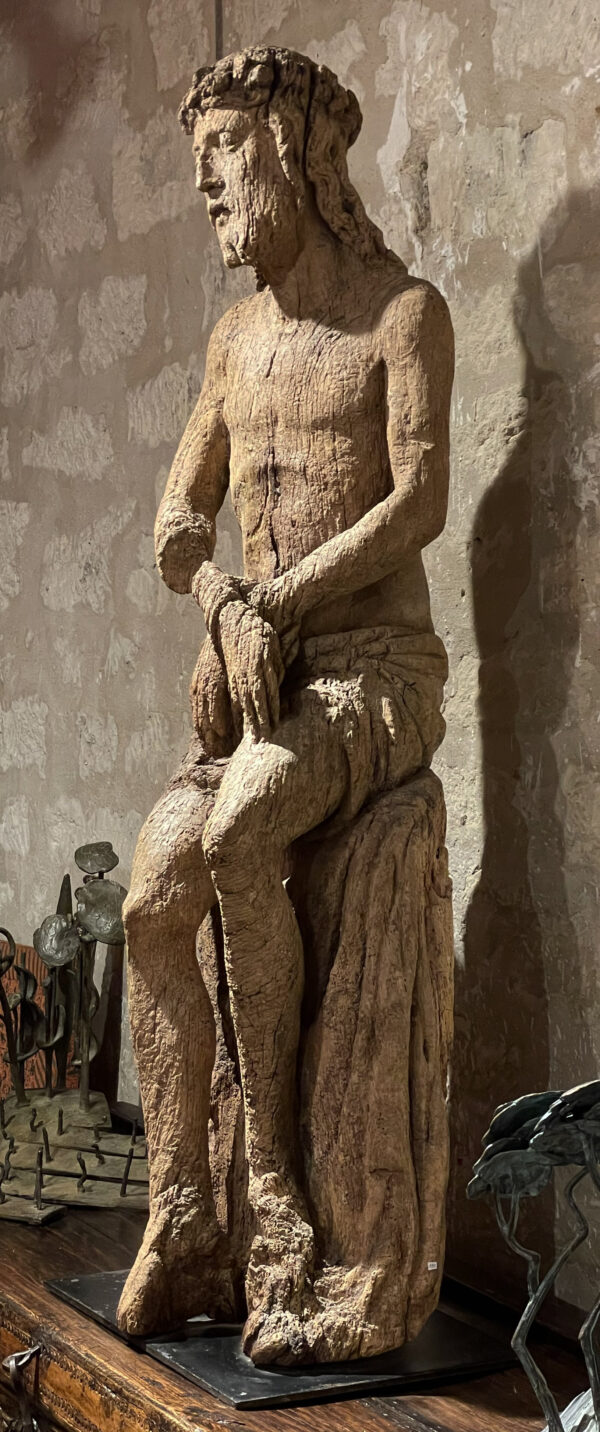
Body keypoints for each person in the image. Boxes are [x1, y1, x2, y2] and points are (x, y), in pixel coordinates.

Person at [117, 46, 454, 1366]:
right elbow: (175, 524)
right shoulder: (236, 341)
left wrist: (278, 604)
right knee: (154, 887)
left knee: (245, 822)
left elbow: (418, 502)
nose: (209, 184)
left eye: (226, 154)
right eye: (199, 161)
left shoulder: (401, 315)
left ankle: (277, 1195)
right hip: (270, 674)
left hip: (378, 673)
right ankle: (182, 1205)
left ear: (300, 152)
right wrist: (221, 603)